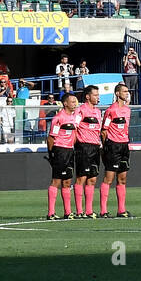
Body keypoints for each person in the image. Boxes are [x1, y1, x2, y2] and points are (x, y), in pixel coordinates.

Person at [100, 82, 133, 217]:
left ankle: (121, 210)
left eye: (127, 91)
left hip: (124, 145)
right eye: (124, 91)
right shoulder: (110, 111)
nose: (127, 93)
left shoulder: (128, 110)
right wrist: (106, 146)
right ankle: (103, 211)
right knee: (109, 178)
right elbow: (104, 130)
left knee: (123, 178)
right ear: (117, 93)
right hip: (113, 146)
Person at [45, 92, 81, 220]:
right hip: (60, 150)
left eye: (75, 102)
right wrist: (52, 153)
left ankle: (68, 212)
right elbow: (50, 138)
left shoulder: (74, 117)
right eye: (72, 102)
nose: (74, 104)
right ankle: (51, 213)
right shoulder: (58, 118)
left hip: (70, 151)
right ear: (65, 103)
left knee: (67, 182)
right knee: (56, 181)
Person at [71, 85, 104, 218]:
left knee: (92, 179)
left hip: (95, 147)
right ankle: (79, 211)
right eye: (95, 95)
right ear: (87, 96)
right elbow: (74, 127)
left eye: (98, 95)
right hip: (83, 147)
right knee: (81, 178)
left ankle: (89, 211)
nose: (98, 97)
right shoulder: (80, 110)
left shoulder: (98, 112)